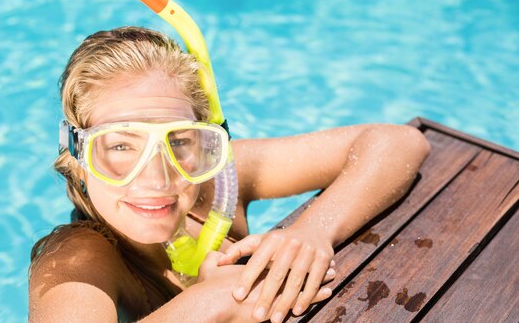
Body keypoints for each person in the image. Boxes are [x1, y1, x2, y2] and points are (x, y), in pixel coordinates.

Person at [28, 26, 430, 323]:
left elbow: (398, 142)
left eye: (179, 141)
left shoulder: (218, 181)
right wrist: (214, 299)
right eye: (119, 146)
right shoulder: (74, 259)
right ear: (77, 154)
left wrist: (313, 231)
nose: (156, 177)